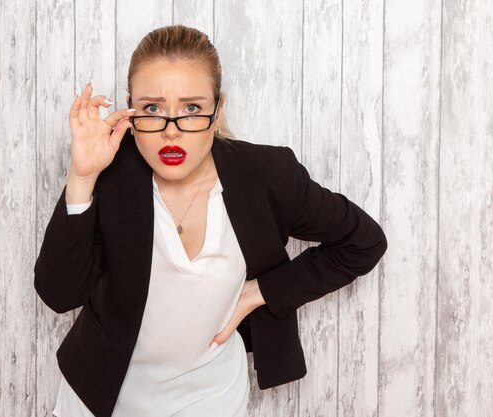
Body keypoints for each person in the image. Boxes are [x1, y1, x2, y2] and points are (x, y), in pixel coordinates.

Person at [34, 24, 388, 417]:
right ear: (130, 112)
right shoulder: (111, 176)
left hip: (211, 399)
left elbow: (364, 242)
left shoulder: (268, 176)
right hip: (99, 396)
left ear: (218, 111)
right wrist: (82, 177)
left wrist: (262, 291)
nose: (171, 131)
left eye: (191, 108)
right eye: (152, 108)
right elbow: (59, 295)